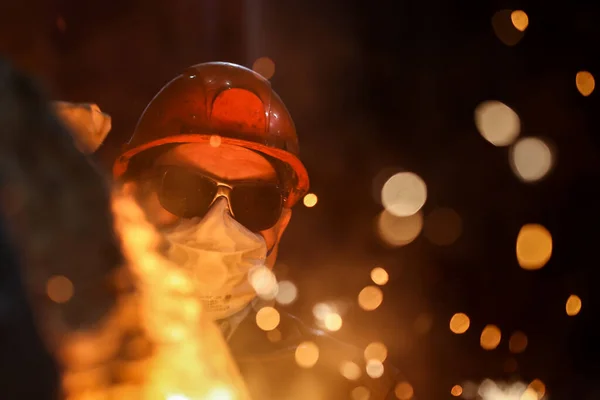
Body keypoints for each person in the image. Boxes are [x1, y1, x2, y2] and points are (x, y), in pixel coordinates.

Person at [113, 61, 404, 399]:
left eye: (255, 201)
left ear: (280, 226)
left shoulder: (342, 381)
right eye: (185, 188)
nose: (217, 224)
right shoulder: (58, 357)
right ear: (128, 202)